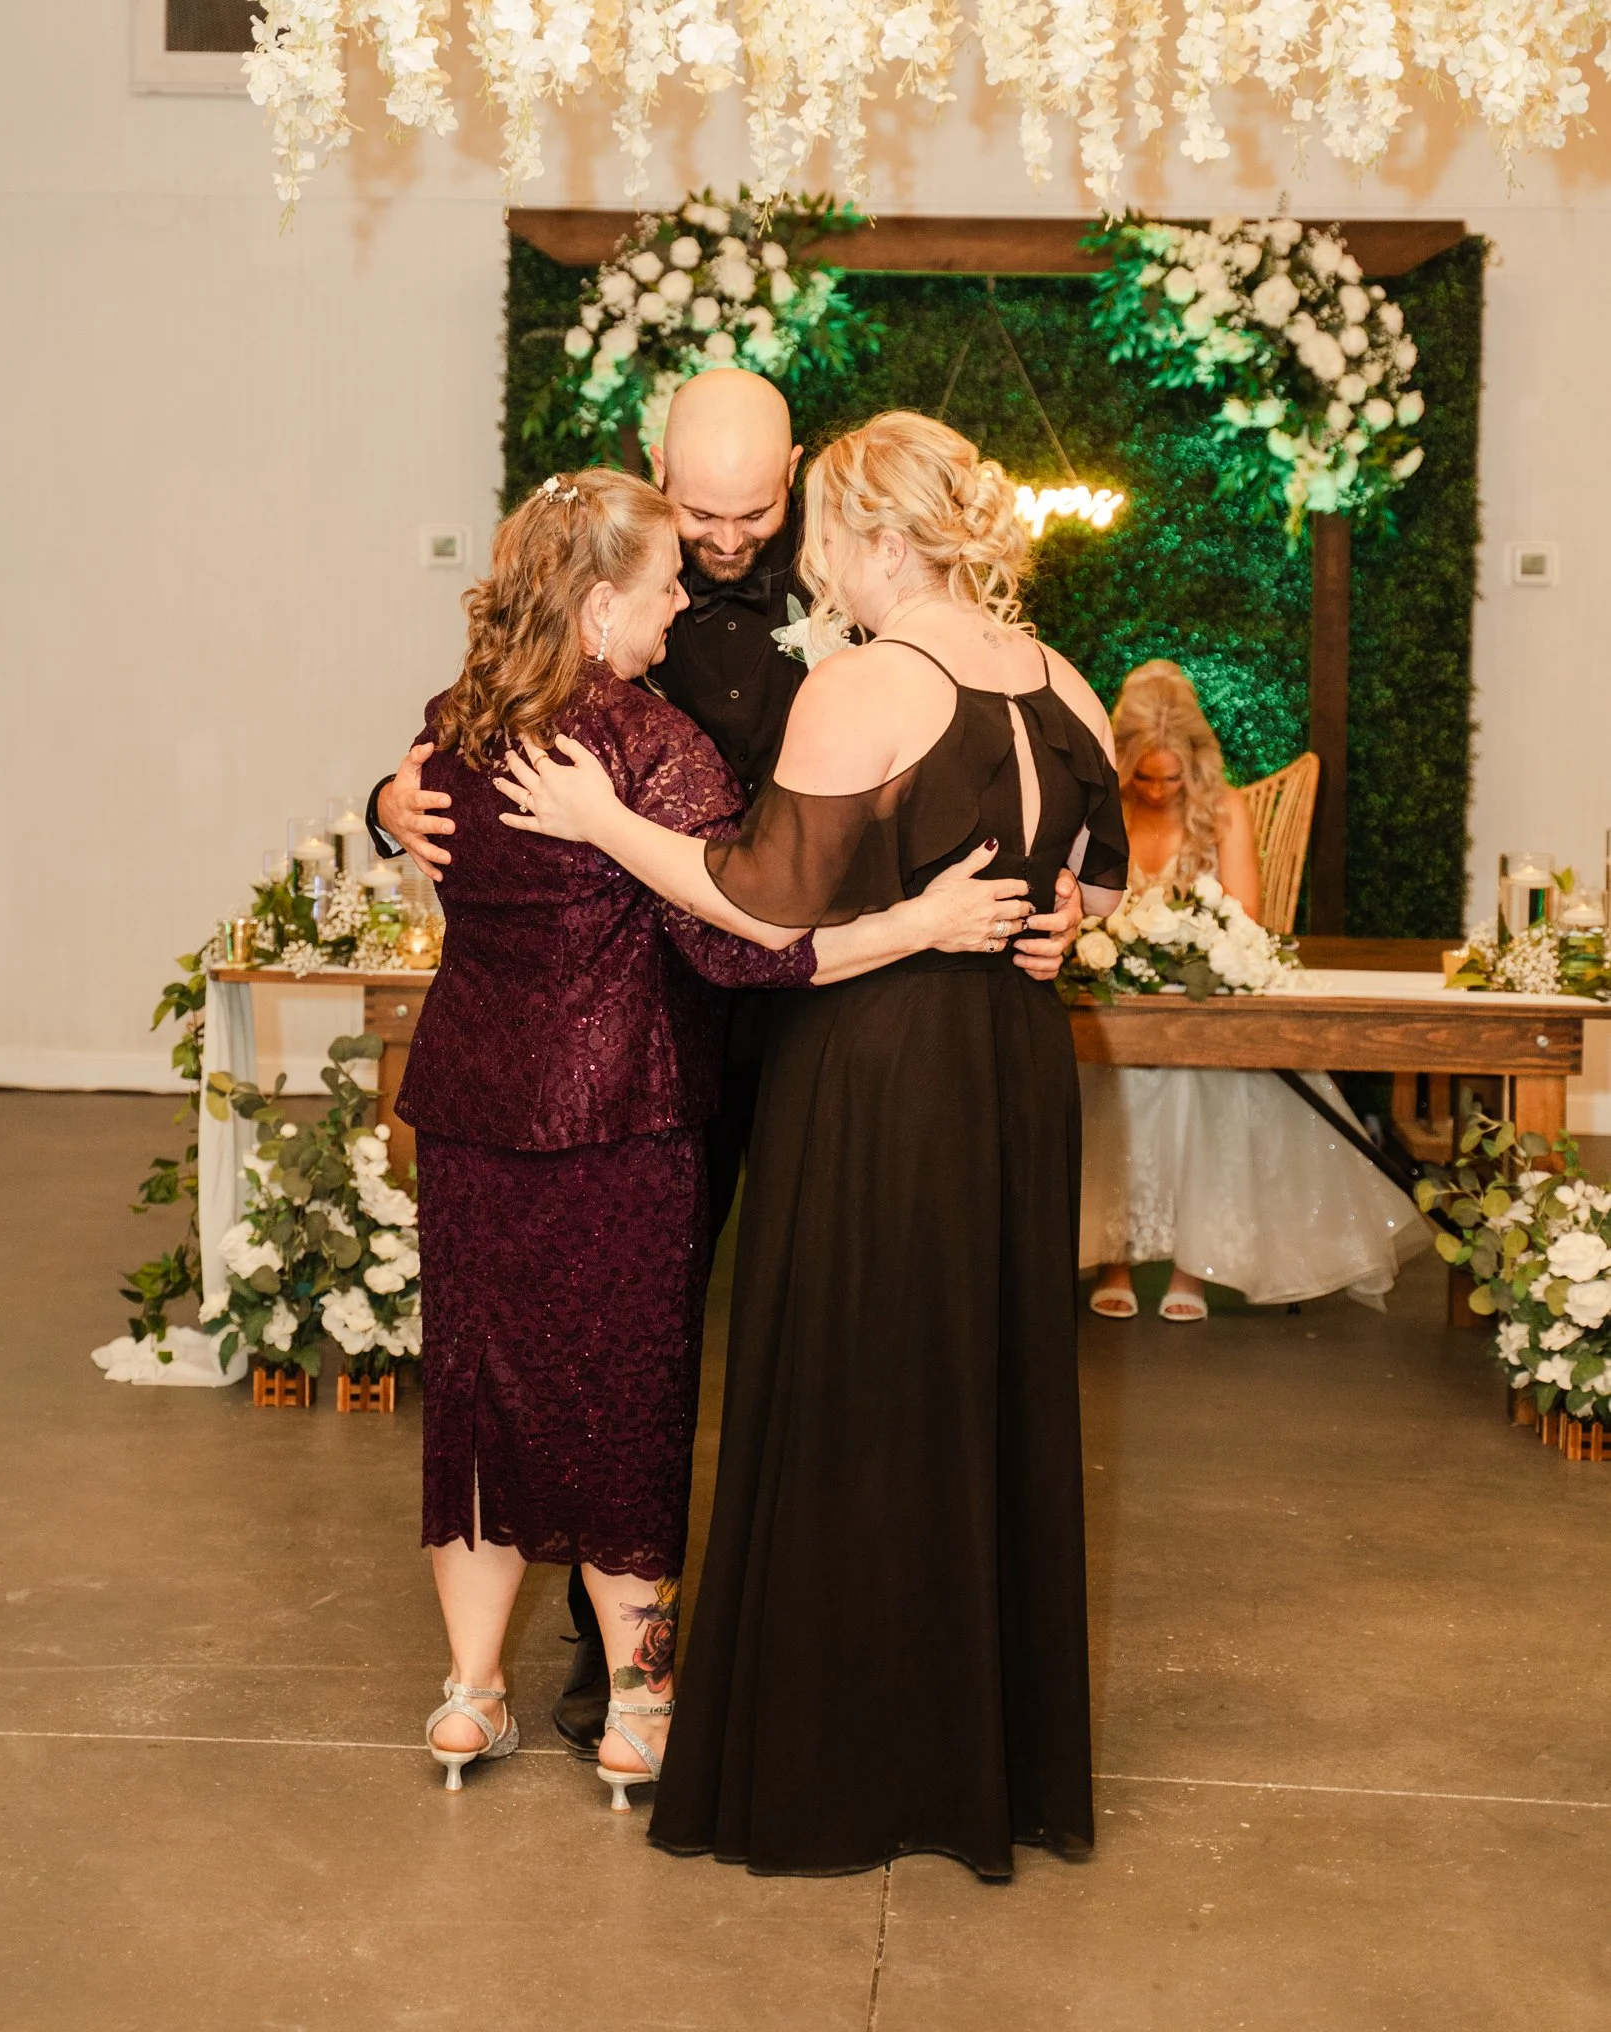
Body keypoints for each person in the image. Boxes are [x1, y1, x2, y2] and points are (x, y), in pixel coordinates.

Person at [368, 367, 1085, 1751]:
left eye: (754, 515)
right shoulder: (652, 723)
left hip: (607, 1070)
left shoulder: (479, 700)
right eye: (693, 528)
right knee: (629, 1377)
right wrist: (385, 804)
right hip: (666, 1056)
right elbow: (749, 922)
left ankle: (501, 1681)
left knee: (514, 1377)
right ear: (640, 525)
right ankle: (628, 1686)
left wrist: (1041, 899)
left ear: (796, 482)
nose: (721, 549)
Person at [497, 411, 1129, 1879]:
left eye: (828, 537)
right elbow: (1097, 889)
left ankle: (847, 1755)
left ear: (879, 541)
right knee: (976, 1382)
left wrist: (598, 817)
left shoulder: (864, 683)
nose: (815, 564)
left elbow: (758, 903)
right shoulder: (1063, 681)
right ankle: (982, 1757)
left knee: (854, 1382)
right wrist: (1045, 927)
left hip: (878, 1071)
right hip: (1011, 1066)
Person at [1080, 661, 1427, 1321]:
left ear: (1195, 763)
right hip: (1120, 995)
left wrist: (1180, 949)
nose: (1156, 791)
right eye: (1143, 776)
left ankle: (1192, 1267)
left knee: (1198, 1076)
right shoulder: (1103, 809)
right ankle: (1111, 1257)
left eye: (1171, 778)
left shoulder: (1225, 809)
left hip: (1203, 999)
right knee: (1109, 1070)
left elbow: (1245, 920)